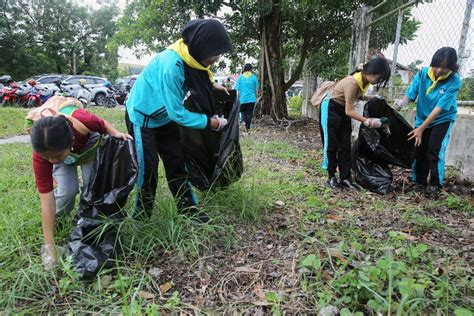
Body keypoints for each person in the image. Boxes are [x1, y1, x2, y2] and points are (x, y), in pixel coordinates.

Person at [125, 19, 231, 222]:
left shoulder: (190, 54)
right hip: (143, 117)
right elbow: (177, 113)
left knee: (177, 163)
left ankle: (189, 210)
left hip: (164, 118)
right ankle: (141, 218)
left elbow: (200, 73)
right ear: (202, 47)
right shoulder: (172, 65)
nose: (217, 59)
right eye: (215, 54)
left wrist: (213, 85)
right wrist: (210, 122)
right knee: (148, 171)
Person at [30, 109, 132, 268]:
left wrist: (117, 134)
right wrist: (49, 248)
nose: (51, 161)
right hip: (63, 152)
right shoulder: (43, 154)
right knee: (66, 193)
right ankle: (60, 223)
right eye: (47, 157)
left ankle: (91, 223)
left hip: (87, 145)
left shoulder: (83, 121)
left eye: (55, 156)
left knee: (92, 189)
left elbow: (102, 125)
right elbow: (47, 202)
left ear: (70, 140)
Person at [394, 47, 462, 196]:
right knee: (420, 148)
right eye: (436, 65)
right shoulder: (423, 73)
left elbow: (439, 108)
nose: (438, 70)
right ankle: (419, 181)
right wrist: (401, 103)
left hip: (442, 119)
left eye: (444, 67)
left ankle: (435, 184)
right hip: (422, 117)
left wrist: (421, 129)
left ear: (451, 67)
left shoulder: (454, 81)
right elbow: (410, 95)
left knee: (434, 149)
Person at [319, 57, 391, 191]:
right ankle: (331, 177)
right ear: (372, 72)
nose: (378, 82)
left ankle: (345, 178)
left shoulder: (364, 81)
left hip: (342, 110)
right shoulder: (352, 83)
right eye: (379, 78)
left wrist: (371, 98)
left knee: (345, 145)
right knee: (332, 145)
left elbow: (356, 97)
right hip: (331, 108)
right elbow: (350, 110)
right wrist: (368, 121)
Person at [235, 63, 259, 132]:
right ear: (251, 69)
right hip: (252, 99)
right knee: (249, 114)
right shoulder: (254, 78)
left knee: (242, 111)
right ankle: (247, 129)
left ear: (244, 69)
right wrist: (256, 98)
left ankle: (243, 121)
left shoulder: (240, 78)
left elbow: (237, 90)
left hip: (242, 99)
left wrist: (237, 98)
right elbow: (256, 90)